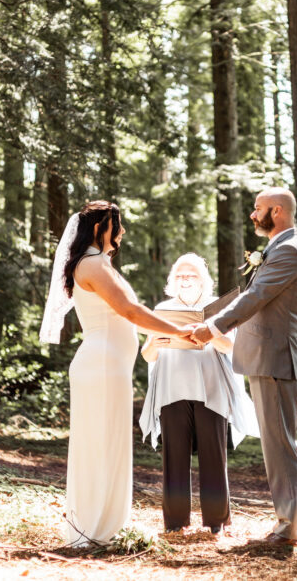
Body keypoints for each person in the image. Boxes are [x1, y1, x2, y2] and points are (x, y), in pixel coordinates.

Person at [40, 201, 197, 548]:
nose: (122, 232)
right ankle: (97, 528)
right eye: (117, 225)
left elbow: (129, 314)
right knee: (101, 444)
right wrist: (183, 332)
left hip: (108, 366)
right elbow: (130, 310)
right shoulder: (93, 264)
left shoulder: (97, 263)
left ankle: (104, 524)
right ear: (100, 228)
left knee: (107, 443)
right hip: (101, 367)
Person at [190, 187, 297, 546]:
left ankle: (290, 529)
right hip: (266, 357)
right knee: (276, 443)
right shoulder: (279, 248)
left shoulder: (289, 250)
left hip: (276, 359)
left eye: (258, 209)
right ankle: (288, 524)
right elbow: (250, 297)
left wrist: (211, 328)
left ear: (277, 211)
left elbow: (256, 298)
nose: (252, 215)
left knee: (280, 444)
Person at [138, 253, 259, 536]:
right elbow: (147, 355)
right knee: (174, 456)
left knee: (213, 454)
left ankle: (216, 521)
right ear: (172, 281)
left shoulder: (219, 309)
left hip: (211, 388)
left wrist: (207, 333)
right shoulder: (162, 309)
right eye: (180, 276)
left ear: (203, 281)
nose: (185, 280)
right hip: (172, 390)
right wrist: (155, 340)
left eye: (191, 275)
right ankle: (175, 522)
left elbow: (230, 347)